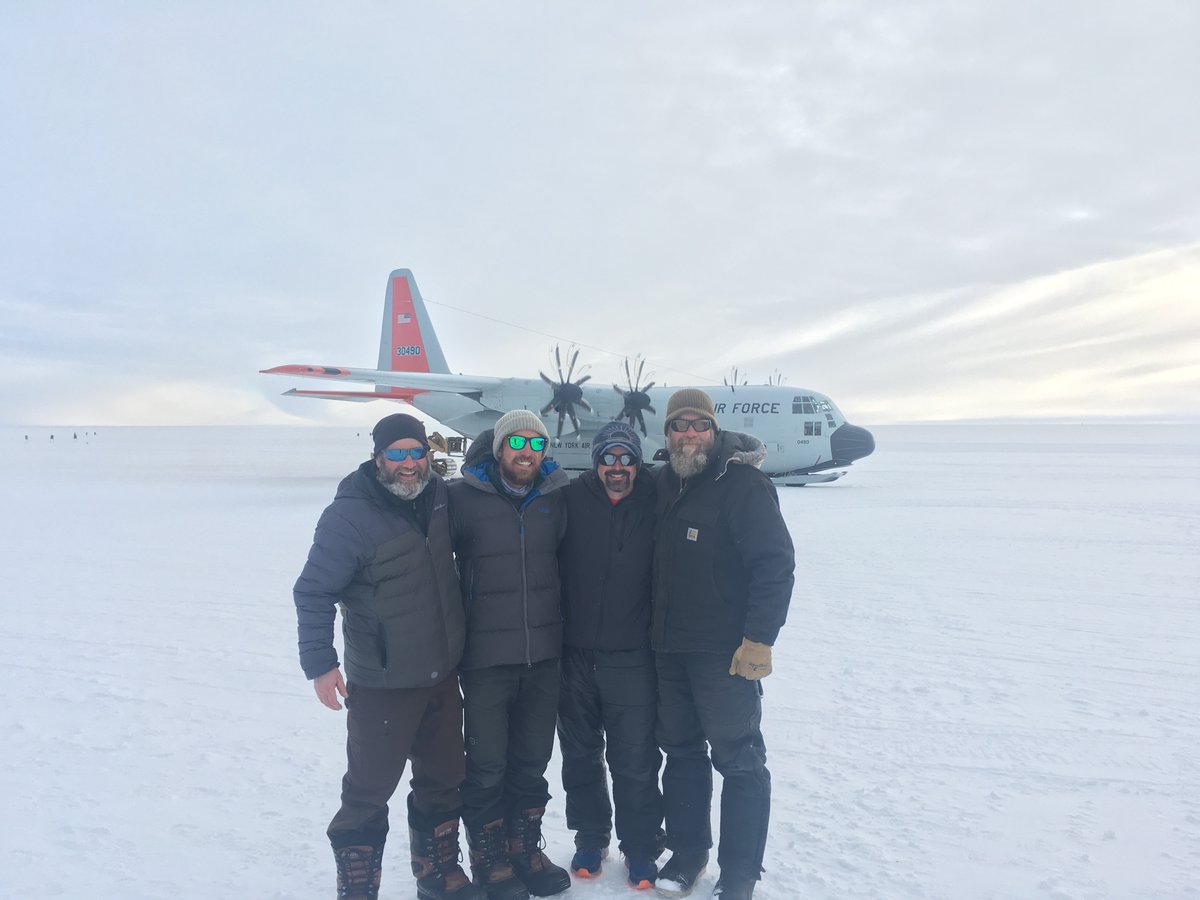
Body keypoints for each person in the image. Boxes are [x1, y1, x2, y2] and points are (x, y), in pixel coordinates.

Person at [293, 413, 485, 900]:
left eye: (416, 452)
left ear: (428, 455)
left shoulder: (439, 497)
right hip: (382, 682)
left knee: (443, 780)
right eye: (396, 453)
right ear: (378, 456)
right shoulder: (348, 516)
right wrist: (320, 664)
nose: (408, 463)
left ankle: (437, 871)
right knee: (367, 791)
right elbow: (313, 592)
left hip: (441, 674)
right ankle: (357, 887)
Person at [650, 390, 796, 900]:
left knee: (738, 759)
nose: (688, 434)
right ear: (666, 433)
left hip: (725, 655)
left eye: (699, 425)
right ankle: (688, 854)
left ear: (713, 431)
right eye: (678, 426)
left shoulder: (743, 486)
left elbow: (774, 566)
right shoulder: (663, 482)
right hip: (668, 650)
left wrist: (760, 639)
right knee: (682, 753)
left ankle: (739, 873)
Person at [448, 410, 572, 900]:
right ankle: (488, 857)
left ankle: (523, 848)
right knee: (486, 766)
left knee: (531, 762)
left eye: (536, 444)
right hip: (484, 659)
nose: (527, 452)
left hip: (543, 655)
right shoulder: (460, 498)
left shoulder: (556, 498)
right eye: (517, 442)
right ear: (499, 447)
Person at [556, 421, 664, 889]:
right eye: (608, 459)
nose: (617, 469)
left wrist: (738, 453)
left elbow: (702, 476)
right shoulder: (568, 499)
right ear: (596, 461)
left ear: (638, 463)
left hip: (631, 655)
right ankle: (591, 834)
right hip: (574, 654)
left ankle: (640, 846)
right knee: (580, 754)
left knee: (635, 759)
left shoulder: (656, 500)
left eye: (626, 459)